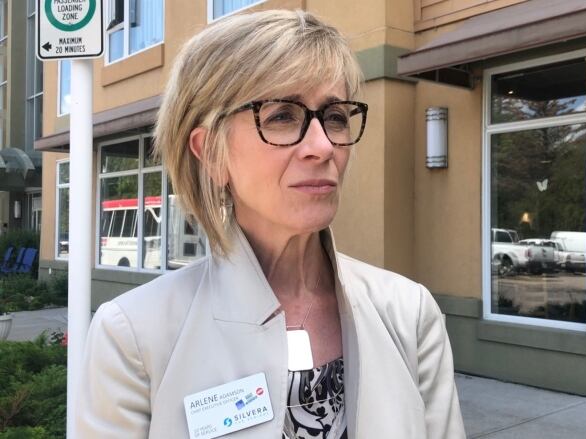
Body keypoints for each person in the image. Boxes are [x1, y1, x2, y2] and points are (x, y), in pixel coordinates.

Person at [76, 9, 465, 439]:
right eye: (282, 115)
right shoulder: (135, 337)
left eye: (335, 116)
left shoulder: (409, 314)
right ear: (210, 153)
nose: (323, 146)